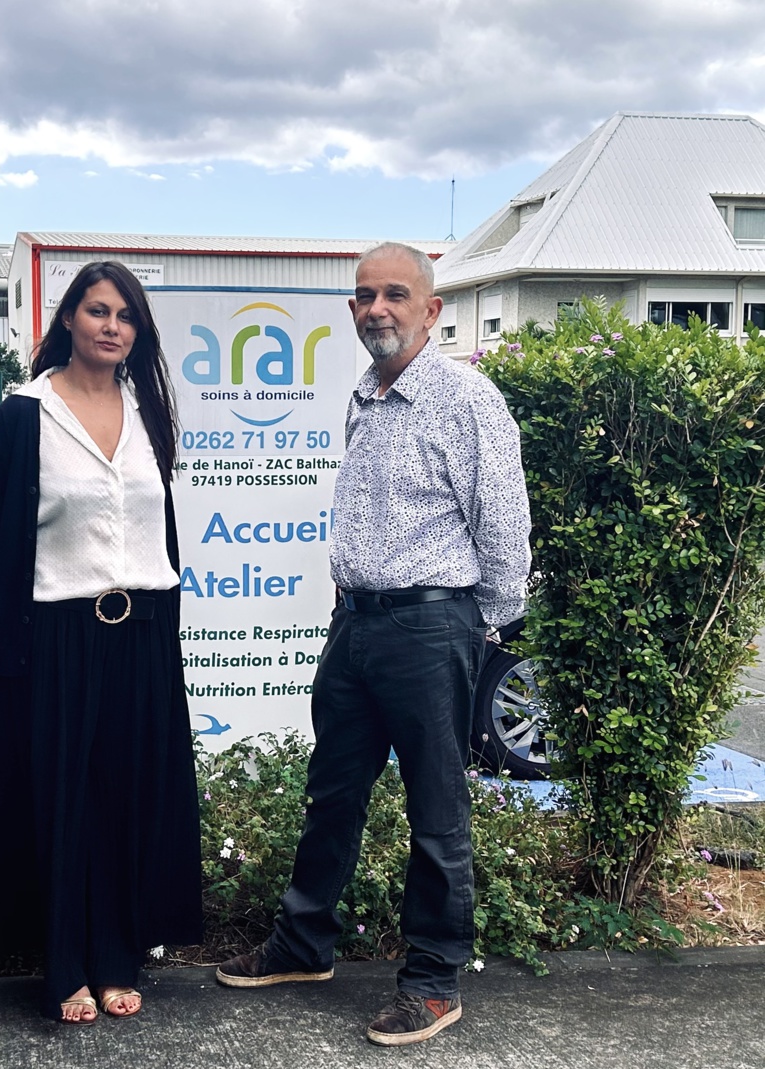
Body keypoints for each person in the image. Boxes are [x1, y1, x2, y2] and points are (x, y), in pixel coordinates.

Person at [215, 242, 531, 1047]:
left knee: (435, 809)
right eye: (362, 296)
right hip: (354, 624)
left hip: (430, 626)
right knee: (332, 791)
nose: (374, 309)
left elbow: (504, 529)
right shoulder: (362, 394)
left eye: (394, 294)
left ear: (431, 309)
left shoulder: (466, 398)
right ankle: (301, 943)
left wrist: (475, 622)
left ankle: (431, 979)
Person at [0, 260, 202, 1024]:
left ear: (137, 333)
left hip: (137, 633)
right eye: (97, 310)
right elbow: (6, 548)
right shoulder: (24, 414)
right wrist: (16, 656)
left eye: (125, 315)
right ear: (67, 318)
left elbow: (157, 531)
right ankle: (62, 962)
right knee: (61, 802)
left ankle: (114, 956)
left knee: (122, 799)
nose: (111, 325)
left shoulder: (148, 413)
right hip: (59, 634)